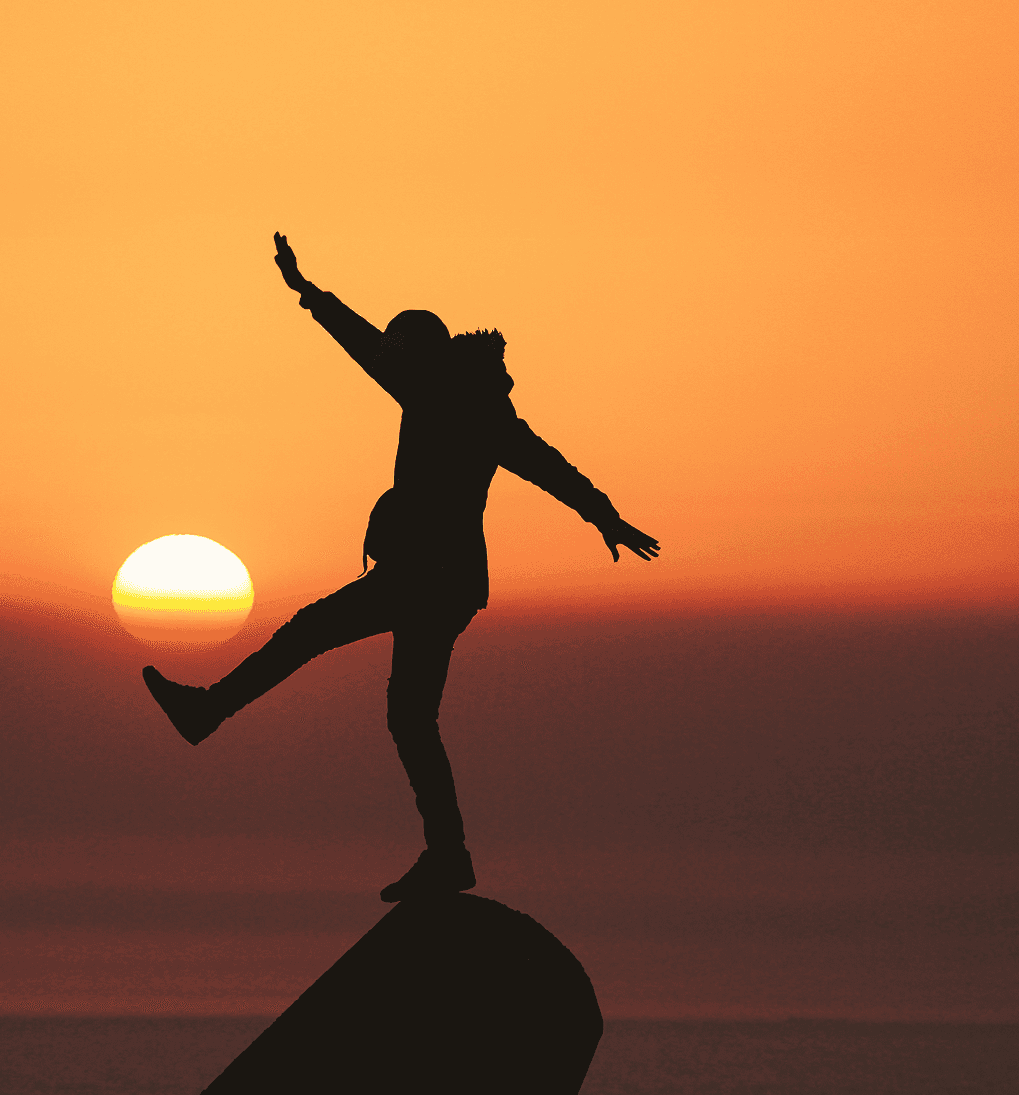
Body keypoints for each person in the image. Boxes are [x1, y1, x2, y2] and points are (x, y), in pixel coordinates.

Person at [143, 233, 659, 901]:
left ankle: (208, 711)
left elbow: (545, 463)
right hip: (443, 582)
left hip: (426, 577)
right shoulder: (454, 392)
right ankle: (447, 854)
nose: (389, 367)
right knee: (408, 716)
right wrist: (308, 293)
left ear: (417, 356)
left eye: (397, 356)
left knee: (312, 634)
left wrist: (603, 514)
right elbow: (369, 349)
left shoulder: (456, 400)